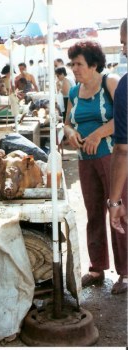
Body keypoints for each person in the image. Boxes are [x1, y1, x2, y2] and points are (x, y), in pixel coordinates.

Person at [63, 40, 127, 295]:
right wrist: (69, 133)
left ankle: (125, 272)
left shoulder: (110, 83)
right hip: (84, 160)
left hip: (113, 159)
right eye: (72, 64)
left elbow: (122, 120)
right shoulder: (73, 92)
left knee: (119, 211)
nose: (74, 69)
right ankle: (97, 267)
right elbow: (66, 122)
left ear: (93, 64)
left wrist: (98, 134)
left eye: (78, 64)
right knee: (92, 214)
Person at [107, 19, 127, 293]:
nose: (124, 49)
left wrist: (114, 202)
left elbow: (123, 150)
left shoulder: (125, 86)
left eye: (125, 41)